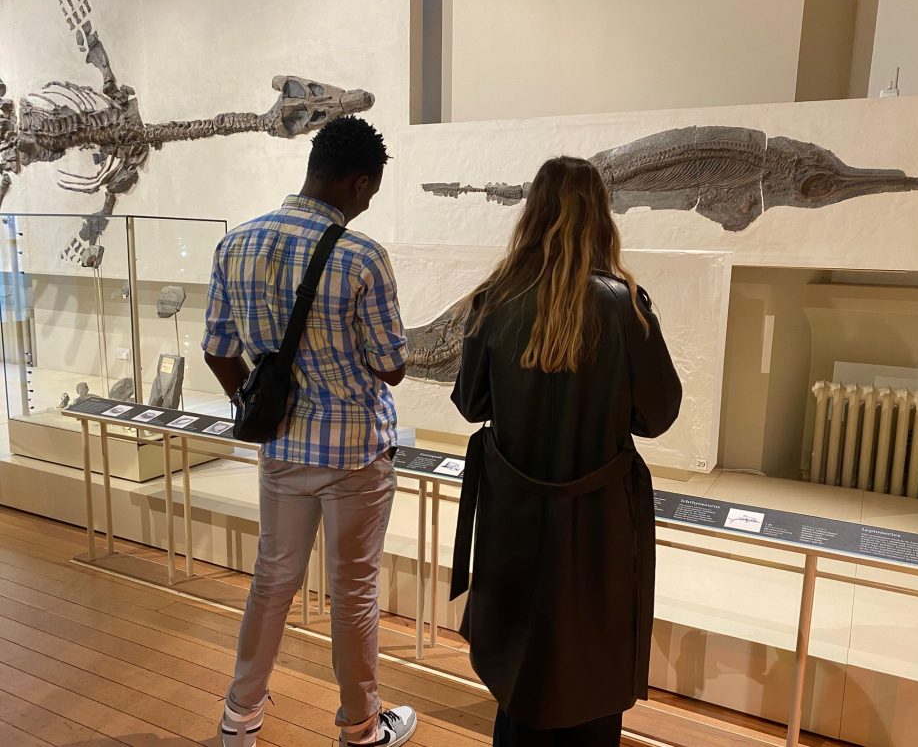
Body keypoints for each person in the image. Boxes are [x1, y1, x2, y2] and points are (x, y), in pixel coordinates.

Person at [450, 156, 683, 746]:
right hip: (600, 517)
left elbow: (471, 403)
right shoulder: (626, 304)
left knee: (521, 665)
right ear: (601, 217)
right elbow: (657, 416)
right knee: (592, 661)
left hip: (513, 513)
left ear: (532, 214)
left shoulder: (495, 299)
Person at [202, 115, 417, 747]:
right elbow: (391, 365)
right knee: (352, 592)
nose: (367, 203)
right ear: (357, 181)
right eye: (370, 192)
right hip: (355, 453)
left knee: (272, 578)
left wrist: (255, 400)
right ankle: (359, 729)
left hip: (282, 447)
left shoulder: (236, 242)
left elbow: (217, 348)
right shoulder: (361, 255)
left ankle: (239, 722)